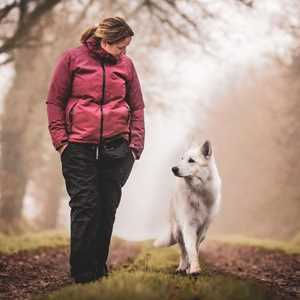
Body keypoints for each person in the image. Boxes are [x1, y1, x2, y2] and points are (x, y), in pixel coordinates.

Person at [46, 17, 145, 284]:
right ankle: (82, 272)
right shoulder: (72, 59)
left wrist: (135, 146)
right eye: (120, 47)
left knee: (106, 207)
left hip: (116, 148)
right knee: (85, 206)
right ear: (105, 41)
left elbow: (137, 106)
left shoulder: (127, 65)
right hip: (78, 147)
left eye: (127, 48)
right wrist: (61, 140)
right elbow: (55, 100)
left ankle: (98, 269)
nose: (124, 53)